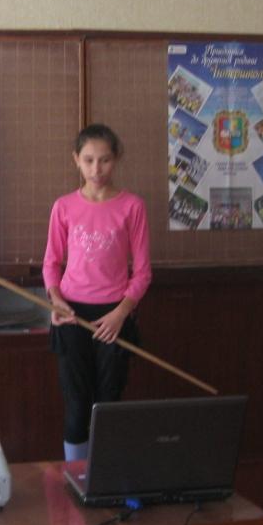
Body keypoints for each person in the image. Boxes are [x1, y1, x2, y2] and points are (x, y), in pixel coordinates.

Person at [42, 123, 151, 462]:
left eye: (104, 160)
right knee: (76, 404)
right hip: (71, 316)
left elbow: (143, 272)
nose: (96, 169)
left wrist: (121, 313)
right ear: (76, 159)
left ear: (115, 159)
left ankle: (105, 476)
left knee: (107, 404)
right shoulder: (63, 206)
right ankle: (76, 476)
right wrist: (56, 301)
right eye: (88, 160)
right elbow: (51, 264)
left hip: (113, 317)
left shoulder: (132, 206)